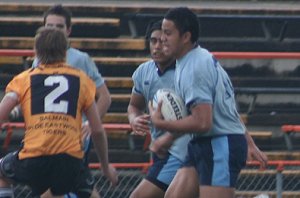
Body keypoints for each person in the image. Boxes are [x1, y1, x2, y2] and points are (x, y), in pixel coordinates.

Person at [148, 7, 268, 198]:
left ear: (186, 37)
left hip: (219, 144)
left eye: (168, 33)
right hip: (204, 143)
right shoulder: (191, 60)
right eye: (162, 32)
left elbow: (203, 122)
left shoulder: (195, 68)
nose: (162, 38)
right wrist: (167, 139)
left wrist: (162, 125)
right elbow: (224, 108)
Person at [0, 27, 118, 198]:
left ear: (36, 52)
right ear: (65, 52)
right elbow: (98, 130)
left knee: (2, 173)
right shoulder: (81, 80)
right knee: (85, 191)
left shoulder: (24, 79)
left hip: (35, 157)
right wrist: (105, 167)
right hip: (69, 161)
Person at [10, 4, 112, 165]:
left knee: (54, 185)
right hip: (45, 133)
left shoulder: (80, 59)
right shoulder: (39, 59)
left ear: (68, 31)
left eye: (59, 26)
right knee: (70, 186)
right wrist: (16, 110)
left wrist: (90, 123)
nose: (54, 31)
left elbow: (105, 97)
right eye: (49, 26)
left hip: (72, 134)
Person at [127, 20, 195, 198]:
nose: (157, 47)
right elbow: (134, 105)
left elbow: (198, 117)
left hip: (181, 152)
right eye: (153, 41)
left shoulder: (186, 73)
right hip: (161, 151)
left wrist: (168, 137)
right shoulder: (144, 72)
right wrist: (134, 119)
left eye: (163, 42)